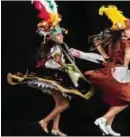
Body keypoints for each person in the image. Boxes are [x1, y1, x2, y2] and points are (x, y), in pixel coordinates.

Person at [7, 0, 93, 136]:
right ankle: (43, 122)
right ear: (53, 36)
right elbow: (58, 60)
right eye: (58, 35)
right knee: (64, 104)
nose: (61, 36)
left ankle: (55, 129)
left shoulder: (55, 46)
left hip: (53, 75)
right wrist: (67, 67)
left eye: (61, 34)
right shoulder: (55, 47)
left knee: (60, 103)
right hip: (55, 75)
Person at [84, 5, 130, 136]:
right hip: (118, 70)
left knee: (117, 100)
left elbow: (96, 41)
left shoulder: (112, 40)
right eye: (129, 30)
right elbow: (127, 56)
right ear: (122, 31)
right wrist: (126, 66)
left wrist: (105, 56)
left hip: (109, 70)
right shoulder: (128, 43)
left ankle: (108, 127)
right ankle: (103, 119)